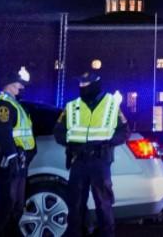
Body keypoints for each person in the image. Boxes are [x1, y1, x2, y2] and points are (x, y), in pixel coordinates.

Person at [54, 71, 128, 237]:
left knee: (103, 204)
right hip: (78, 160)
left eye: (85, 84)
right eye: (80, 84)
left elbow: (124, 131)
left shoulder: (111, 104)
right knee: (76, 204)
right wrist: (71, 143)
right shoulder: (72, 106)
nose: (81, 87)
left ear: (95, 85)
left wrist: (107, 142)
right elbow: (58, 131)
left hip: (100, 161)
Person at [0, 66, 35, 236]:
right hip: (6, 160)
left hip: (17, 160)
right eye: (18, 84)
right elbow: (2, 132)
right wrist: (13, 157)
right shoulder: (2, 105)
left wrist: (29, 153)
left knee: (16, 205)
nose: (21, 88)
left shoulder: (15, 104)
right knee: (7, 204)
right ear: (8, 85)